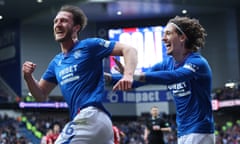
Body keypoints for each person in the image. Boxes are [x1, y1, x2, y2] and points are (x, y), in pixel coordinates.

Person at [22, 5, 137, 144]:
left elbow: (129, 49)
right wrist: (28, 77)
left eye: (63, 21)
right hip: (97, 124)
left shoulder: (89, 46)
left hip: (91, 115)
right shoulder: (56, 63)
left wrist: (128, 75)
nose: (58, 24)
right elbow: (40, 95)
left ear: (76, 27)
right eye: (55, 21)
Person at [106, 16, 215, 144]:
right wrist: (108, 78)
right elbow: (137, 81)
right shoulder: (166, 64)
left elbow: (175, 76)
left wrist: (132, 74)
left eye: (168, 33)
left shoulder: (198, 63)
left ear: (182, 37)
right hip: (183, 132)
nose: (163, 38)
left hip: (200, 131)